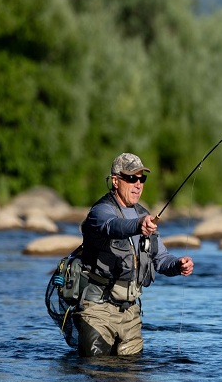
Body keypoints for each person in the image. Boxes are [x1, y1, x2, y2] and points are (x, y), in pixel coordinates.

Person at [75, 152, 194, 357]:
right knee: (96, 374)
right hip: (97, 311)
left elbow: (160, 258)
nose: (138, 184)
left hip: (130, 314)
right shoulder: (100, 211)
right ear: (115, 180)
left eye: (142, 179)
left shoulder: (142, 214)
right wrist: (139, 225)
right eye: (131, 178)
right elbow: (113, 226)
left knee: (132, 379)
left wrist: (178, 265)